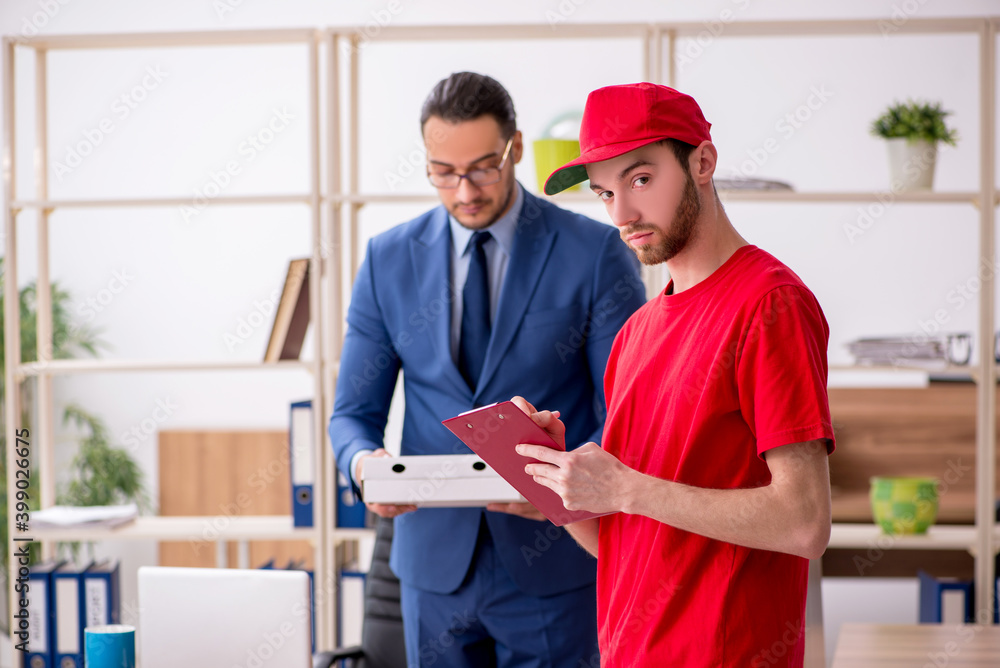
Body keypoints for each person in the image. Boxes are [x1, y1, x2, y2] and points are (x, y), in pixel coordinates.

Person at [328, 72, 645, 668]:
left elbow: (630, 414)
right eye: (443, 173)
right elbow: (351, 415)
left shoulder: (594, 252)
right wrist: (363, 466)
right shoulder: (387, 259)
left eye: (482, 168)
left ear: (515, 148)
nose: (465, 191)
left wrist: (571, 487)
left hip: (554, 555)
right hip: (432, 566)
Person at [513, 82, 836, 667]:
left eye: (640, 179)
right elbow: (624, 542)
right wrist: (556, 482)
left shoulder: (770, 305)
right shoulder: (634, 335)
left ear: (702, 162)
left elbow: (804, 522)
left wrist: (627, 488)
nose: (622, 214)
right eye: (604, 192)